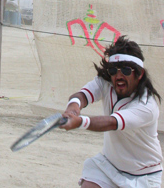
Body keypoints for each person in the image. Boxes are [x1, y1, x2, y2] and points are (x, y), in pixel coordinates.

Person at [60, 36, 163, 187]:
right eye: (114, 70)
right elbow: (82, 95)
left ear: (139, 74)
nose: (119, 76)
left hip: (143, 176)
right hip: (110, 166)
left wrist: (79, 122)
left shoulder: (147, 106)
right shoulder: (105, 83)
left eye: (126, 70)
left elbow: (111, 122)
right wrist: (73, 108)